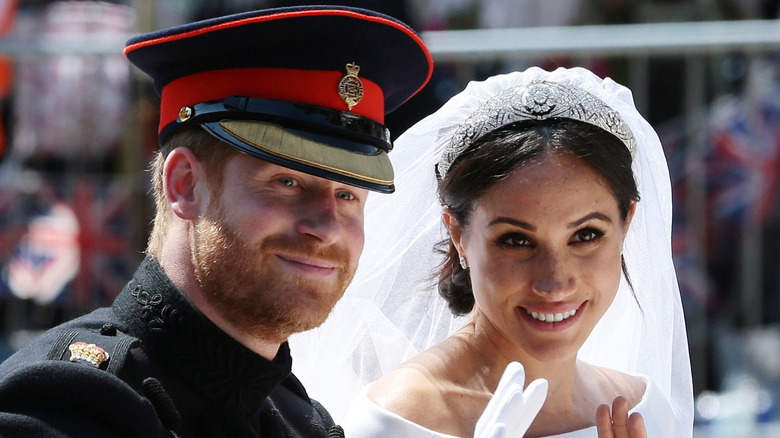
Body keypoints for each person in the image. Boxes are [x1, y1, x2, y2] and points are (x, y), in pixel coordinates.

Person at [0, 6, 432, 437]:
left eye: (347, 194)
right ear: (185, 184)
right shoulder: (68, 405)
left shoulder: (302, 419)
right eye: (287, 181)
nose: (327, 226)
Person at [290, 67, 693, 437]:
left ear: (626, 225)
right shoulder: (398, 420)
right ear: (458, 234)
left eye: (586, 235)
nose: (554, 280)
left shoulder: (642, 409)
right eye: (516, 240)